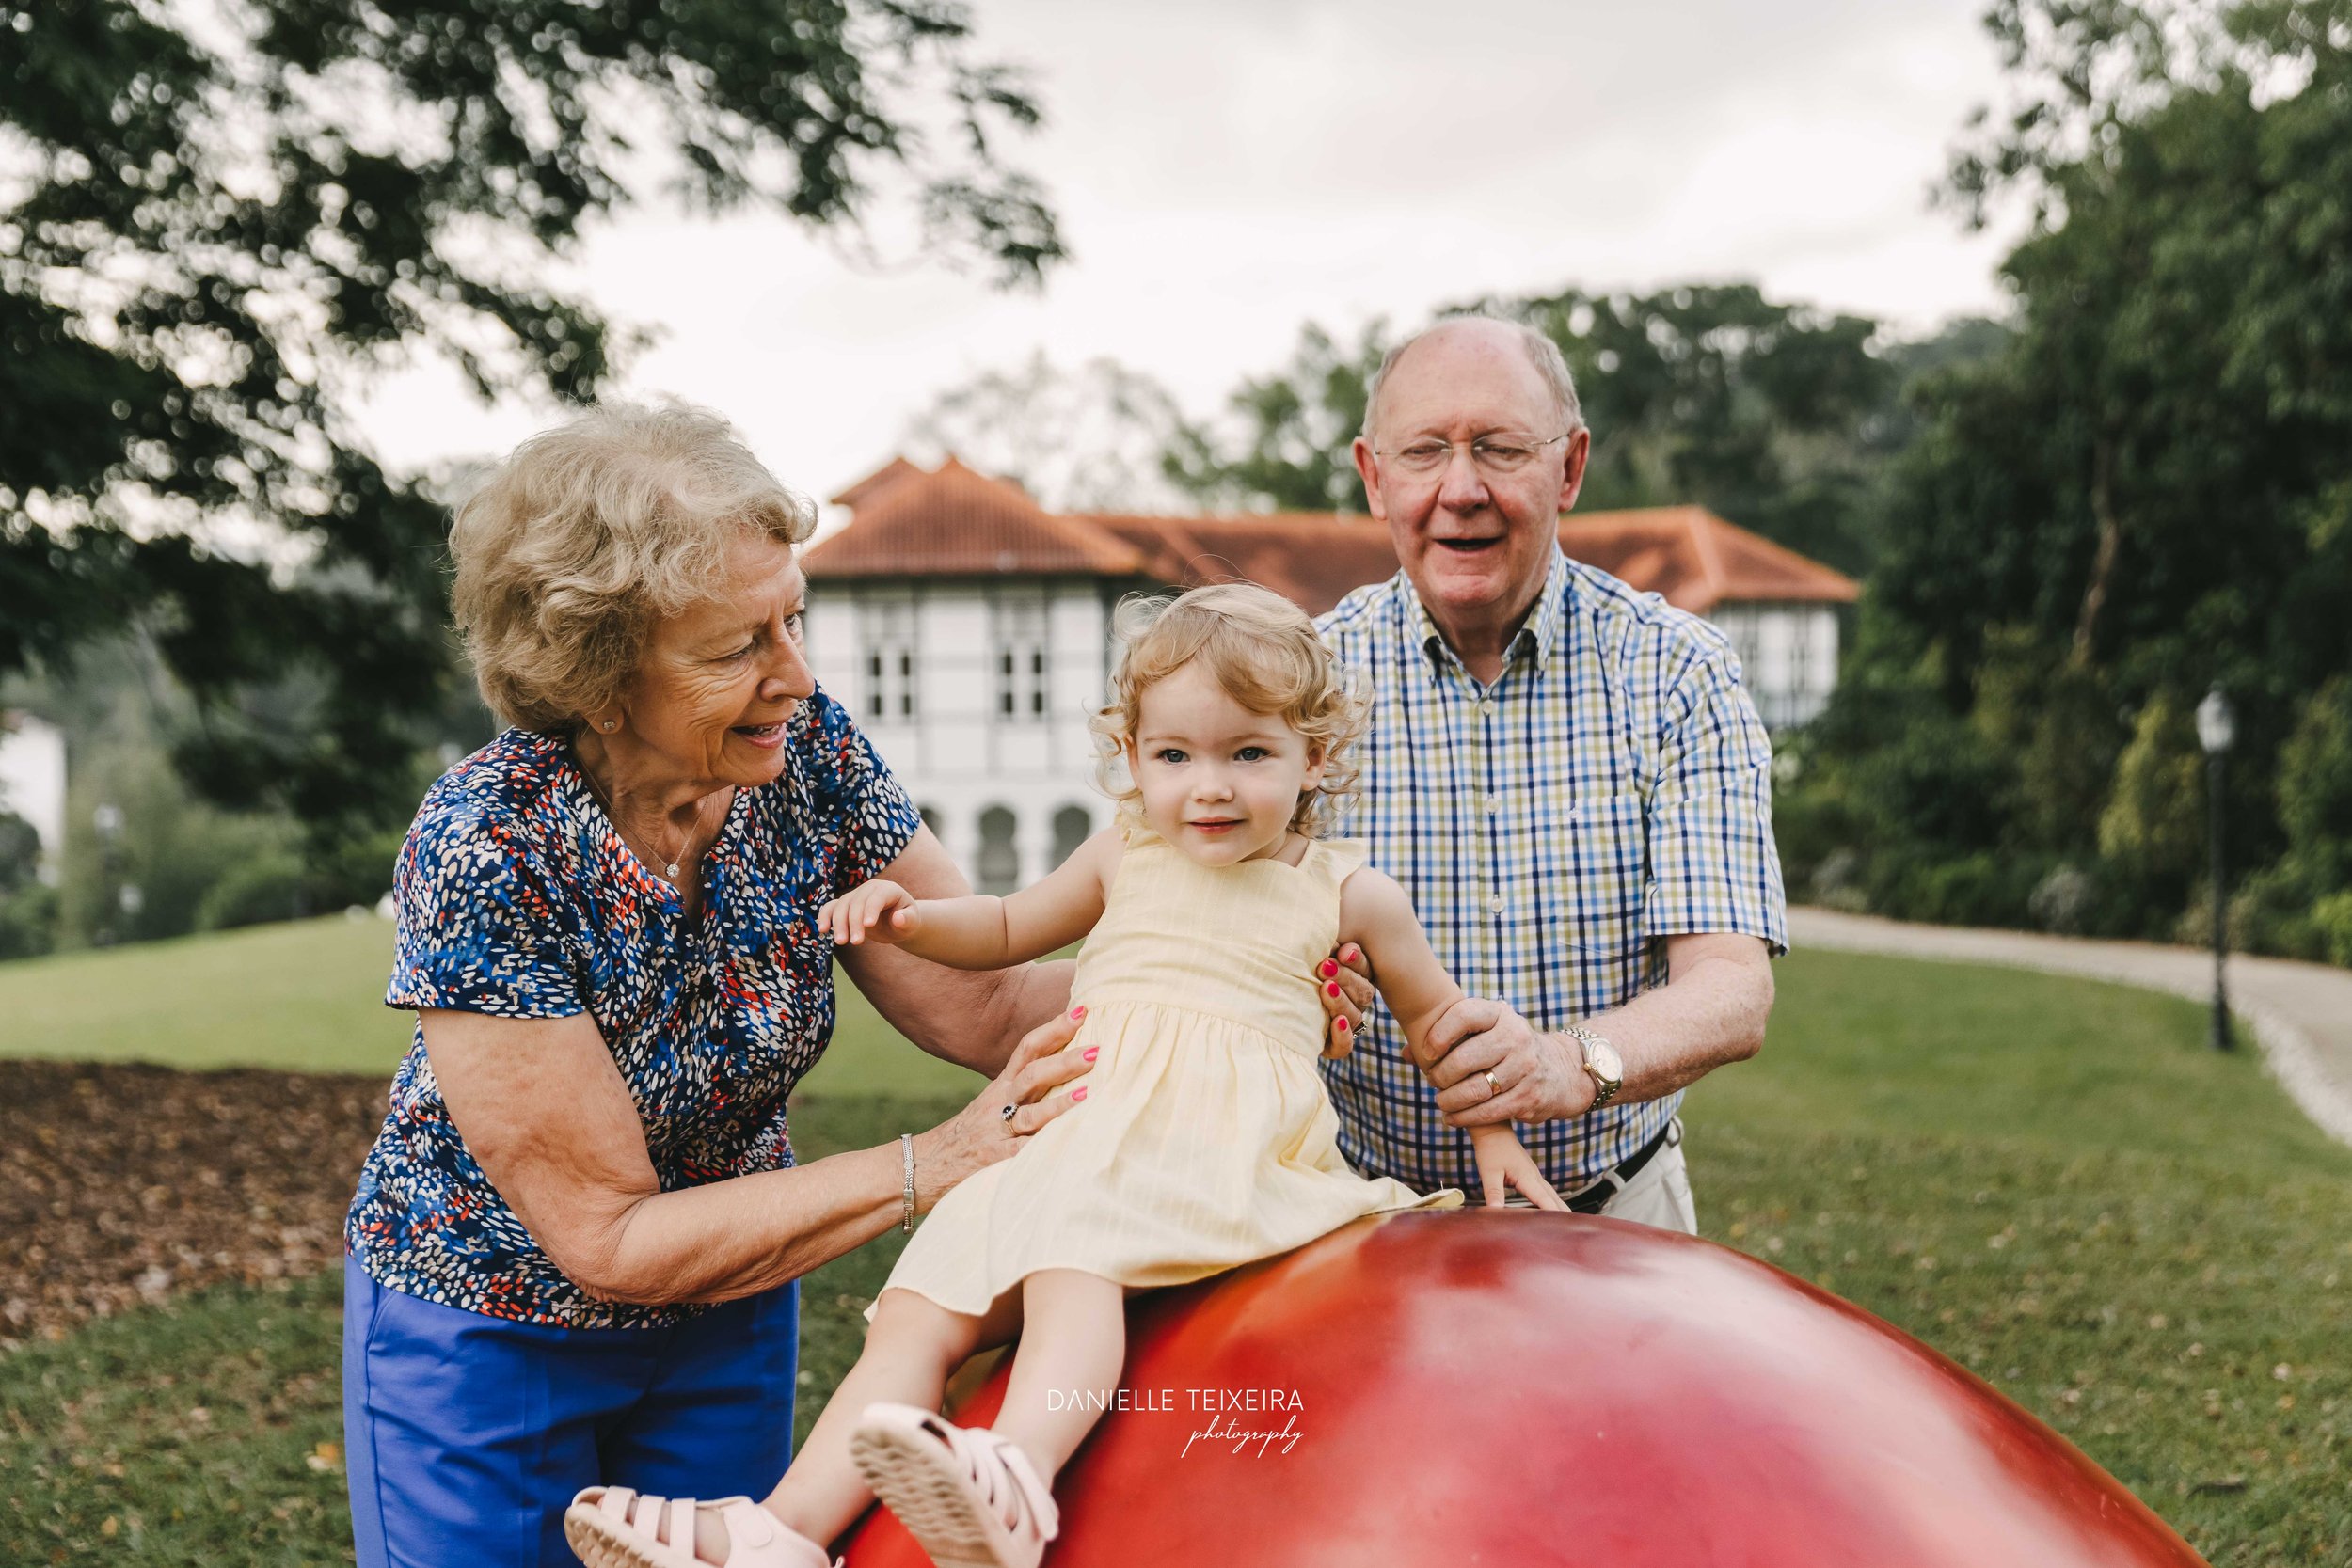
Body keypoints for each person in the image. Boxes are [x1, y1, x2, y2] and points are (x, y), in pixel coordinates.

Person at [564, 582, 1566, 1568]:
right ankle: (779, 1530)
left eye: (1248, 752)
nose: (1207, 785)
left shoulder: (1349, 891)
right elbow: (1002, 923)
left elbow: (1440, 1021)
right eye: (1173, 754)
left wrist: (1490, 1126)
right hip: (1068, 1126)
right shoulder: (1124, 852)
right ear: (1131, 756)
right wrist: (910, 918)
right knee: (920, 1312)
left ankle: (1016, 1474)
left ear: (1314, 756)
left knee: (1071, 1266)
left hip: (1204, 1147)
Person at [341, 403, 1115, 1568]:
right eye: (736, 645)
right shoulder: (487, 839)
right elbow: (607, 1234)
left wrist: (1230, 978)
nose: (794, 675)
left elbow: (989, 1004)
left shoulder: (804, 754)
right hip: (490, 1331)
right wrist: (932, 1162)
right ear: (598, 672)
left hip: (731, 1308)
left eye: (792, 619)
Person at [1320, 313, 1787, 1232]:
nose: (1460, 490)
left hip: (1617, 1209)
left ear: (1567, 467)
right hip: (1355, 1215)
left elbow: (1732, 986)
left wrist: (1566, 1062)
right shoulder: (1299, 684)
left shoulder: (1675, 670)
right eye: (1423, 452)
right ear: (1374, 477)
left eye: (1498, 448)